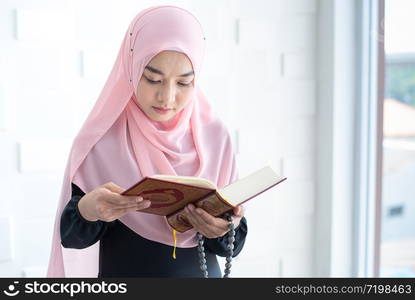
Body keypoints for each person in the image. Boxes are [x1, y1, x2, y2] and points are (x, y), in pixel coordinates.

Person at [47, 5, 247, 278]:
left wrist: (224, 228)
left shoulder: (215, 137)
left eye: (184, 83)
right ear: (131, 68)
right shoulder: (101, 140)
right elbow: (71, 237)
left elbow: (230, 248)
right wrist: (88, 210)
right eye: (153, 79)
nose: (167, 97)